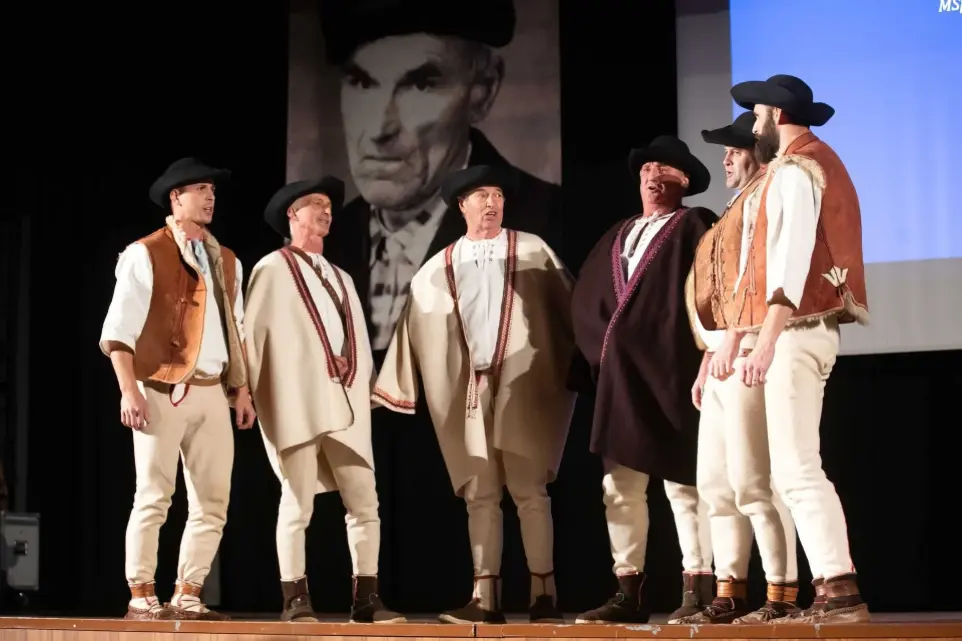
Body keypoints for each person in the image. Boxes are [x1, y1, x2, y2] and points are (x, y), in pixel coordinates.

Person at [372, 165, 575, 624]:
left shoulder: (533, 250)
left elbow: (570, 306)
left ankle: (544, 594)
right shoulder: (437, 268)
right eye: (482, 195)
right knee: (480, 494)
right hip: (469, 392)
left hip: (524, 386)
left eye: (497, 195)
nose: (491, 203)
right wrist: (393, 387)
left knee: (529, 490)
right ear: (461, 205)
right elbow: (412, 330)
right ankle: (485, 599)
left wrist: (587, 361)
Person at [316, 0, 563, 355]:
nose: (378, 128)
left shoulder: (547, 227)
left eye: (420, 85)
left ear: (484, 90)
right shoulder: (325, 241)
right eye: (361, 82)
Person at [715, 74, 870, 624]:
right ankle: (829, 586)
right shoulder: (794, 166)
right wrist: (745, 336)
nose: (753, 124)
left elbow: (793, 258)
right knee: (786, 470)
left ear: (776, 117)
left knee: (798, 467)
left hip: (797, 331)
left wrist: (767, 340)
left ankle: (839, 587)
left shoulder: (799, 169)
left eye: (757, 114)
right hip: (787, 330)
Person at [99, 158, 256, 621]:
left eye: (213, 191)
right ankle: (141, 592)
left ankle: (188, 592)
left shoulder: (227, 260)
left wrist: (241, 390)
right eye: (200, 189)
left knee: (213, 500)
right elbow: (119, 330)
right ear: (176, 197)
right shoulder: (145, 252)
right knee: (154, 494)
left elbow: (236, 330)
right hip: (161, 387)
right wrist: (129, 390)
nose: (210, 197)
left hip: (211, 389)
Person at [568, 136, 717, 624]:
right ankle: (627, 590)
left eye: (667, 170)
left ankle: (697, 586)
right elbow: (587, 297)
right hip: (621, 380)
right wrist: (604, 352)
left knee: (683, 484)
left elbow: (708, 291)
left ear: (685, 182)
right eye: (648, 168)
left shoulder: (696, 224)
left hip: (671, 372)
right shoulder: (619, 233)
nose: (654, 175)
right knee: (619, 486)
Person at [243, 177, 405, 624]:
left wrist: (359, 376)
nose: (326, 210)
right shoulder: (272, 268)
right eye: (316, 203)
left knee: (365, 501)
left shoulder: (342, 277)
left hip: (345, 403)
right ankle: (295, 599)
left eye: (330, 205)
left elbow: (355, 338)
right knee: (298, 501)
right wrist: (243, 390)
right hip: (297, 400)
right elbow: (253, 337)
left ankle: (366, 599)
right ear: (292, 214)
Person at [677, 112, 801, 624]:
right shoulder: (735, 207)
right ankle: (729, 591)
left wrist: (733, 341)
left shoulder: (767, 197)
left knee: (755, 480)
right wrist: (708, 357)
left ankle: (781, 593)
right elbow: (717, 291)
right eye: (724, 151)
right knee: (715, 484)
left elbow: (757, 280)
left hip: (749, 345)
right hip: (724, 356)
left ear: (756, 152)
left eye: (734, 149)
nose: (726, 159)